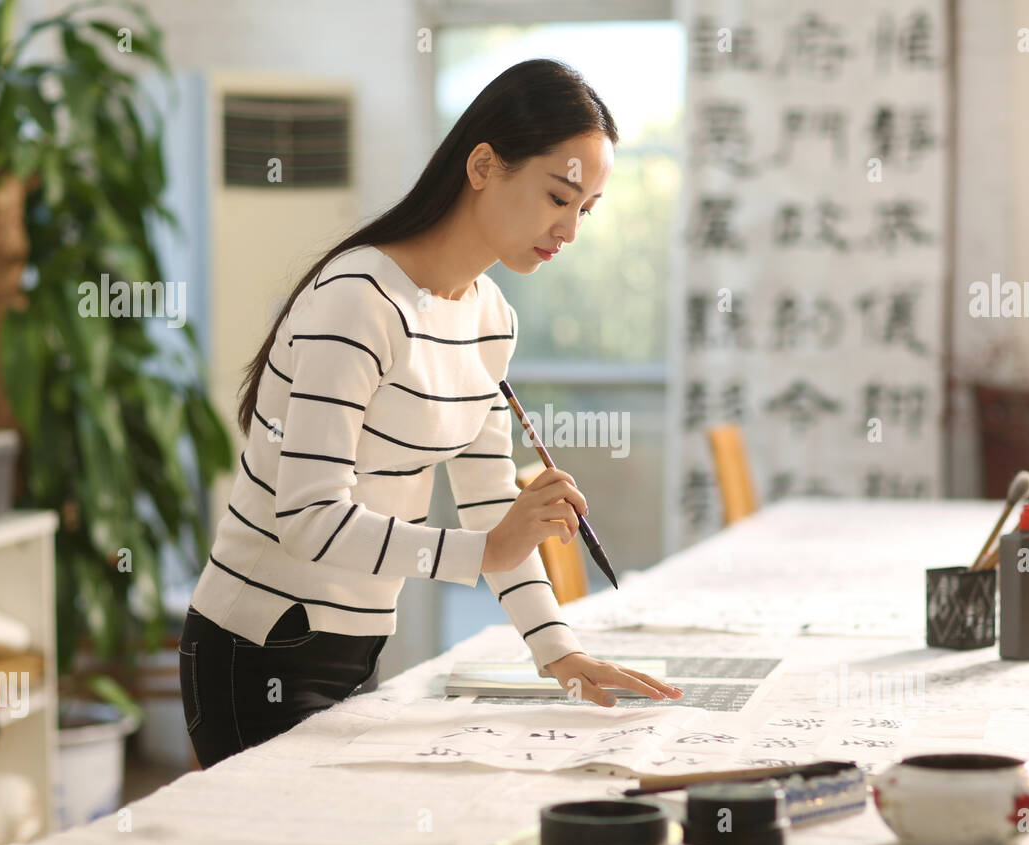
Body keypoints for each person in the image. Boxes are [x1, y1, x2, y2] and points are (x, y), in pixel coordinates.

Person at [180, 58, 682, 769]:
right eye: (557, 196)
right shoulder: (359, 299)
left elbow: (487, 506)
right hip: (257, 643)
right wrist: (483, 552)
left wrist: (559, 652)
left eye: (585, 209)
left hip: (356, 645)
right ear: (483, 165)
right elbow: (307, 515)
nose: (568, 229)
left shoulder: (490, 321)